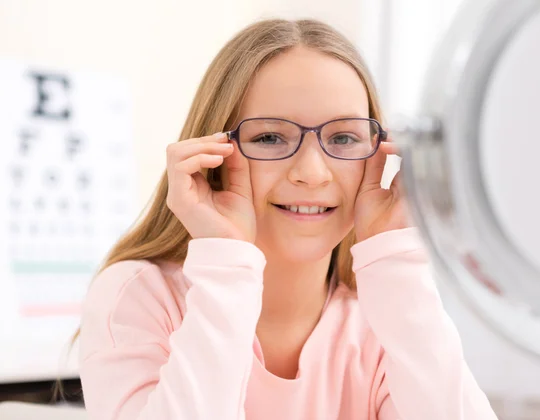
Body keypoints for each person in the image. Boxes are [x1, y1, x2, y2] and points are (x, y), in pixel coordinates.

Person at [76, 18, 498, 420]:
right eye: (270, 137)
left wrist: (396, 258)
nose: (312, 173)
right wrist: (225, 266)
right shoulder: (140, 297)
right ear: (214, 153)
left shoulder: (386, 314)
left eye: (344, 137)